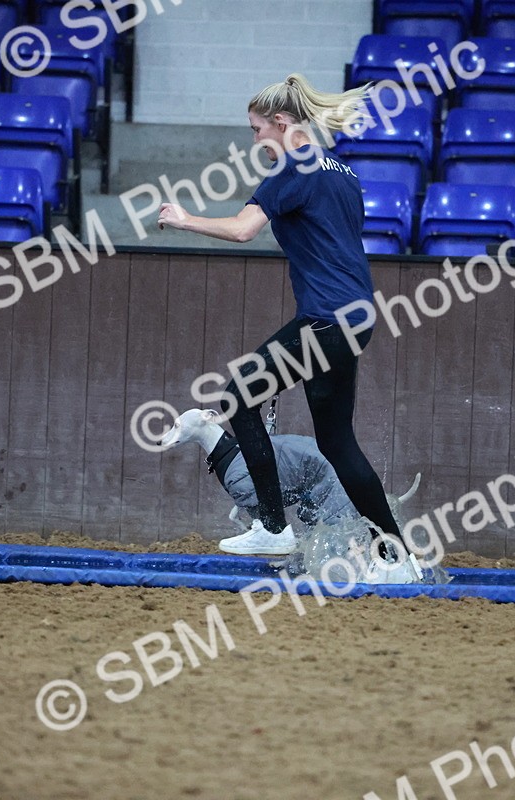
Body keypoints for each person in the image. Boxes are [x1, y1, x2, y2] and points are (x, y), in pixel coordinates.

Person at [157, 73, 421, 583]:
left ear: (281, 123)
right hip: (356, 315)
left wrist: (185, 218)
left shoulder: (292, 170)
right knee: (337, 443)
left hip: (325, 317)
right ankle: (399, 559)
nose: (255, 140)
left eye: (257, 129)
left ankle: (274, 525)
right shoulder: (343, 170)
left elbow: (242, 230)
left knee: (237, 394)